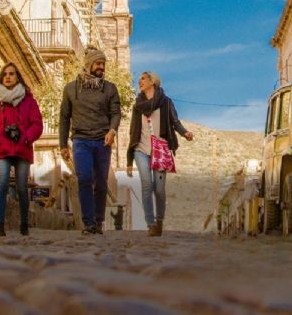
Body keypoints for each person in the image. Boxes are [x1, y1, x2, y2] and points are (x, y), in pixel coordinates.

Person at [59, 46, 121, 235]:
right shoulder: (70, 89)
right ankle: (88, 223)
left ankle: (99, 220)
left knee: (101, 182)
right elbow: (64, 117)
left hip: (103, 140)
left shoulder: (110, 88)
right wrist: (62, 144)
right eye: (98, 63)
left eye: (103, 64)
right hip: (81, 141)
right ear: (88, 65)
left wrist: (112, 130)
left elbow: (116, 113)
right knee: (84, 179)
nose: (101, 67)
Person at [125, 71, 193, 237]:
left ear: (152, 82)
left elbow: (175, 122)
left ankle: (160, 219)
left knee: (159, 189)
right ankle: (151, 224)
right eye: (139, 79)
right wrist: (129, 159)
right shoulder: (138, 105)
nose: (139, 81)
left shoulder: (166, 103)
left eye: (143, 78)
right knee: (147, 185)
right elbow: (133, 131)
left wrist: (185, 133)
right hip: (141, 150)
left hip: (160, 150)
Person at [0, 63, 43, 237]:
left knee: (22, 187)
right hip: (2, 150)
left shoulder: (29, 101)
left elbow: (37, 124)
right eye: (5, 74)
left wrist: (26, 138)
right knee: (1, 184)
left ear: (18, 77)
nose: (8, 77)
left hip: (23, 149)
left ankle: (24, 223)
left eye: (12, 74)